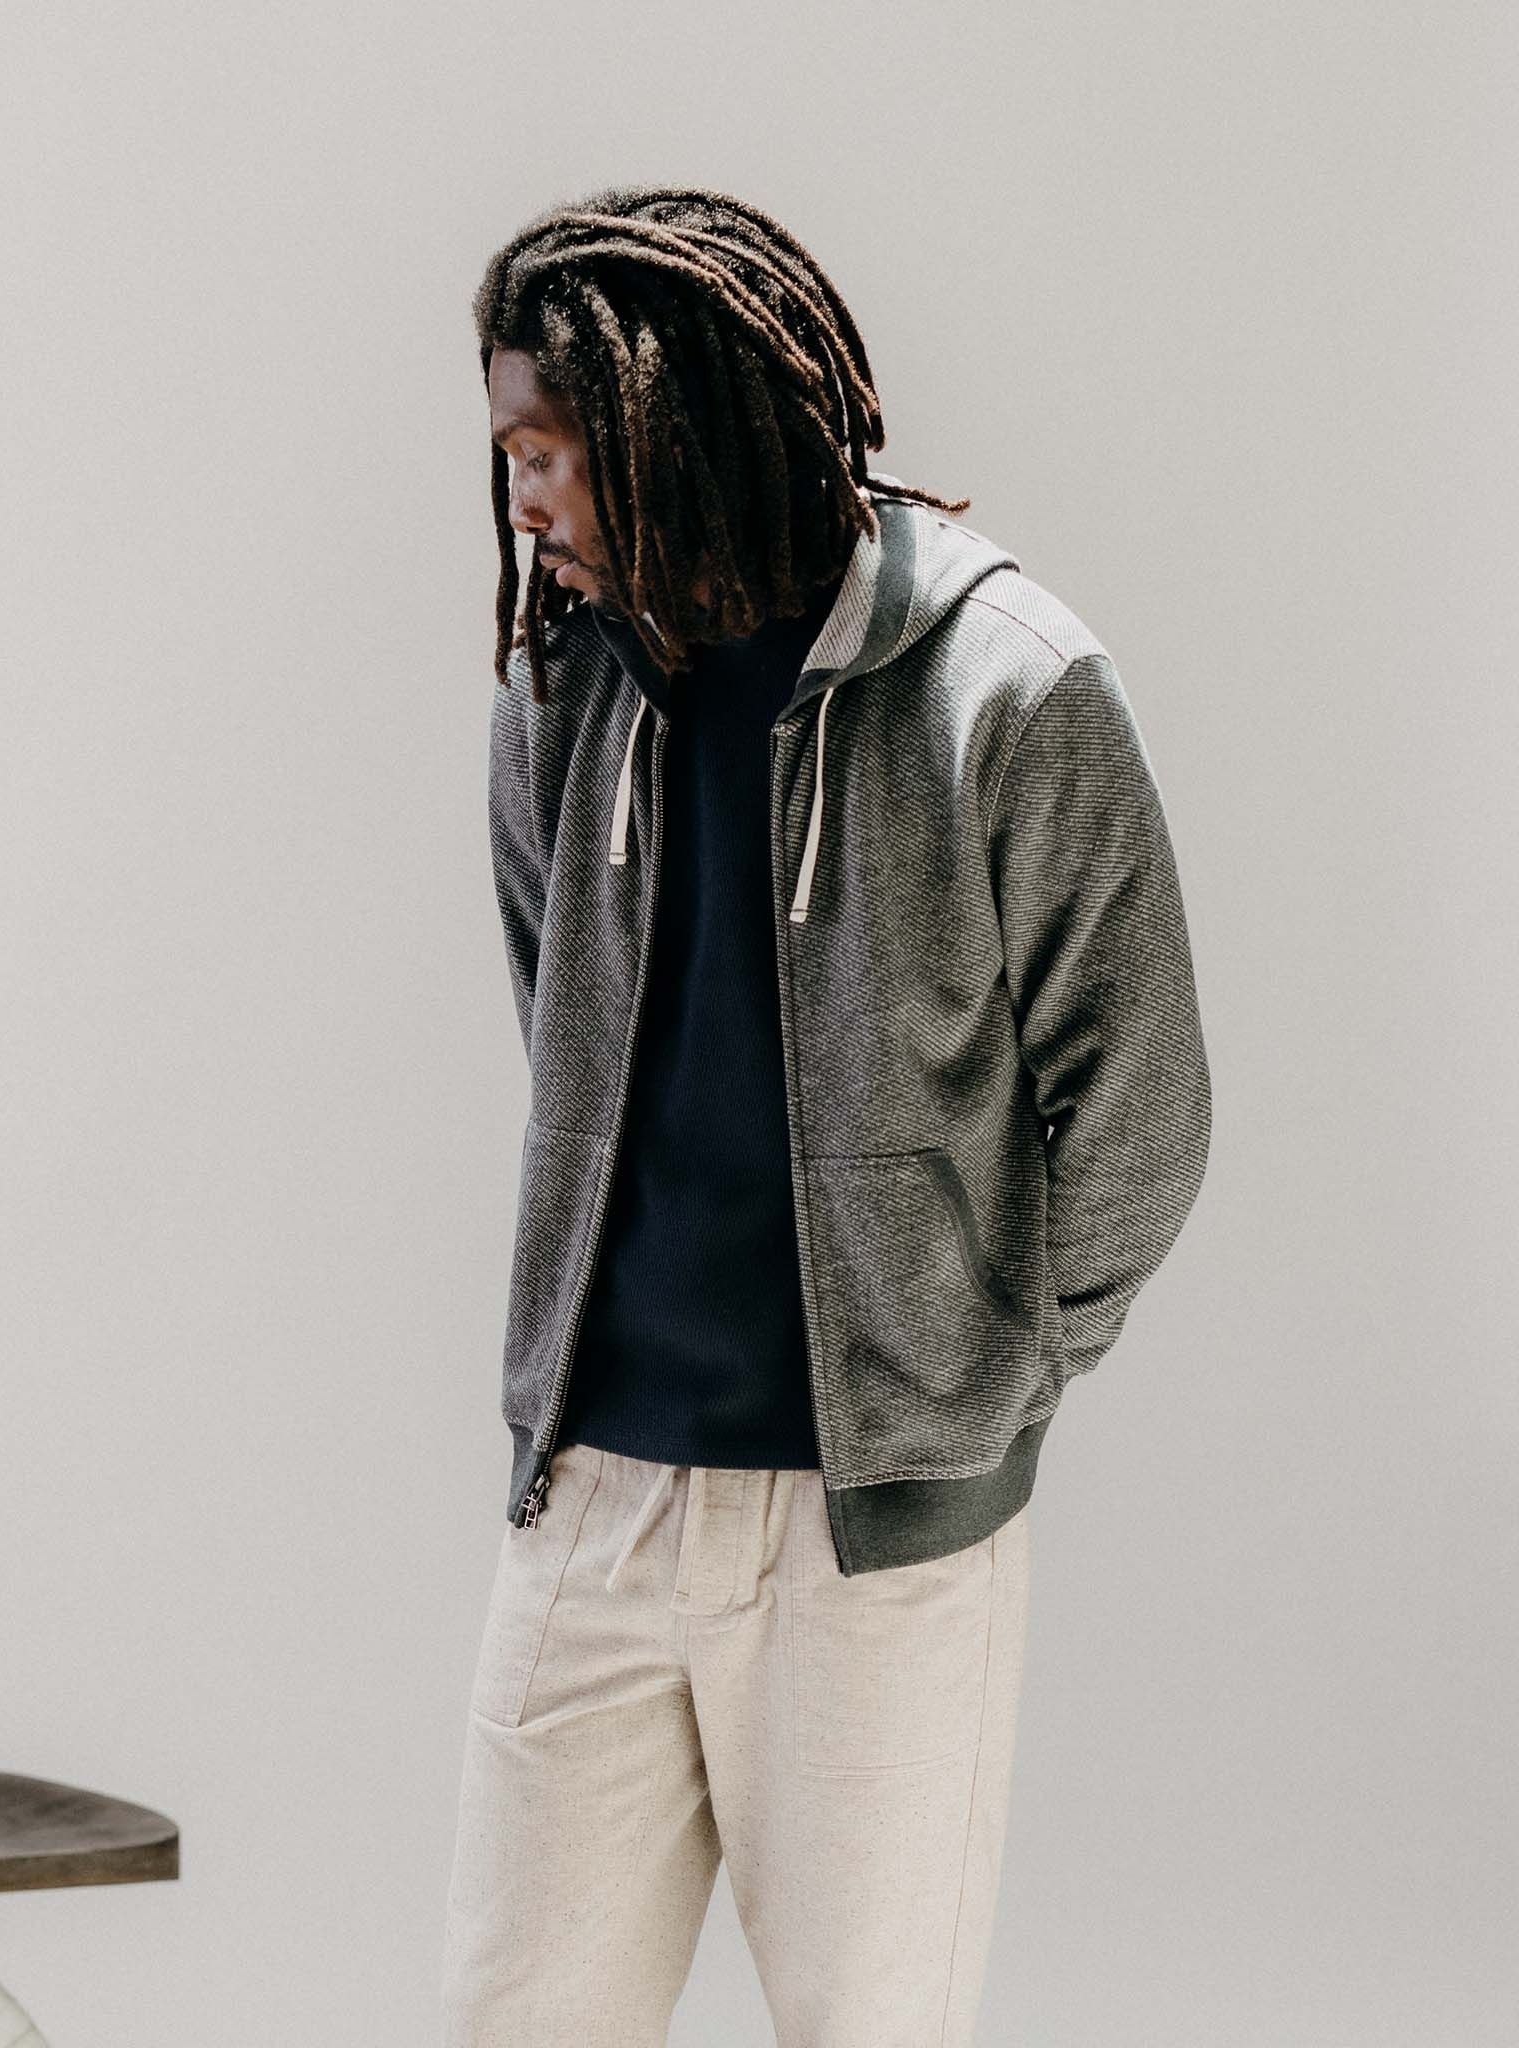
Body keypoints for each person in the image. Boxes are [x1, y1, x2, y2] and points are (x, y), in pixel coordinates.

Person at [441, 185, 1213, 2048]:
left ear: (666, 431)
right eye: (507, 456)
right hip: (594, 1499)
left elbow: (1143, 1101)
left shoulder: (1007, 689)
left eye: (544, 452)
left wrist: (981, 1366)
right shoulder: (563, 688)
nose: (519, 501)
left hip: (875, 1536)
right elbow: (564, 1024)